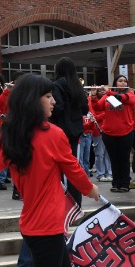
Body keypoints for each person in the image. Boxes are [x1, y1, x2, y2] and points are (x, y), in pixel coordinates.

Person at [0, 74, 99, 267]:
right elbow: (73, 169)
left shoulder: (10, 134)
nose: (54, 102)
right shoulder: (52, 134)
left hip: (35, 224)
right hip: (47, 226)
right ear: (33, 100)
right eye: (48, 96)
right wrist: (91, 190)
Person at [50, 57, 89, 205]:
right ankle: (76, 202)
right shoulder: (77, 85)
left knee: (59, 168)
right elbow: (85, 108)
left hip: (60, 131)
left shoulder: (56, 85)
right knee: (73, 166)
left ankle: (63, 202)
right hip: (75, 131)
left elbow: (57, 107)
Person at [92, 75, 135, 192]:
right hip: (109, 133)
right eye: (120, 81)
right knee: (114, 159)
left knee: (124, 159)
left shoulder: (130, 95)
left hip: (126, 132)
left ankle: (125, 183)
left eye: (125, 81)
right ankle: (116, 183)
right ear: (115, 83)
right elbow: (97, 107)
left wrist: (108, 91)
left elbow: (121, 98)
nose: (123, 83)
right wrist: (93, 95)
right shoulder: (107, 96)